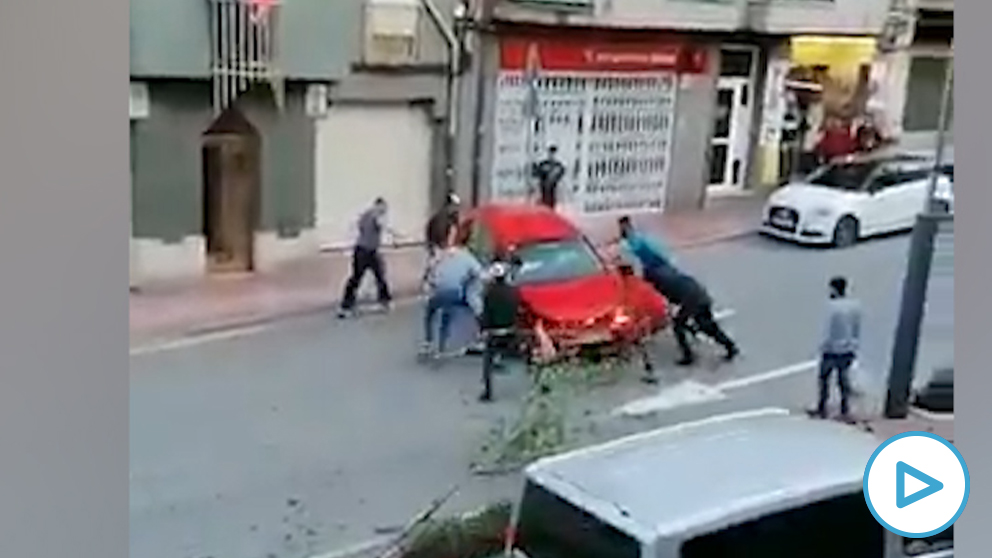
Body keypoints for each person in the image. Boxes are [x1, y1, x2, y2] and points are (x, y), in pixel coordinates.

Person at [648, 264, 739, 367]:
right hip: (702, 297)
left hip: (692, 301)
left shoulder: (662, 285)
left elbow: (671, 301)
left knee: (678, 326)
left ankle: (688, 355)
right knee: (708, 326)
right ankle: (729, 346)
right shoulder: (675, 276)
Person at [419, 228, 485, 359]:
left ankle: (428, 342)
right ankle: (442, 346)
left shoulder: (441, 255)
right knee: (450, 314)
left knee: (430, 312)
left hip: (439, 292)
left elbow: (430, 272)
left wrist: (429, 285)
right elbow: (480, 273)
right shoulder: (466, 256)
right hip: (455, 292)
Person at [811, 276, 862, 422]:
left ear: (833, 289)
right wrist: (854, 345)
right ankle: (845, 409)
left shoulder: (831, 307)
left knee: (824, 378)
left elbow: (828, 329)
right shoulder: (855, 307)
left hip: (832, 349)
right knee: (843, 380)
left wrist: (822, 345)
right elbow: (857, 328)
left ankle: (822, 408)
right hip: (847, 349)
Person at [338, 198, 398, 318]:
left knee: (362, 277)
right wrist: (395, 234)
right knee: (375, 276)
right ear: (378, 206)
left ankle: (347, 305)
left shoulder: (365, 215)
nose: (384, 211)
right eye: (383, 209)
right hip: (368, 251)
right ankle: (384, 301)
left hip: (362, 250)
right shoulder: (376, 216)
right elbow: (382, 225)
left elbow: (359, 227)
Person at [478, 259, 521, 402]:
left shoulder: (489, 294)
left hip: (495, 333)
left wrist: (483, 329)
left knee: (486, 362)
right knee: (528, 357)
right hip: (511, 331)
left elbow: (486, 314)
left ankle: (488, 392)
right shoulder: (514, 291)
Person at [532, 145, 566, 209]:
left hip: (552, 194)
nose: (551, 155)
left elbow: (560, 177)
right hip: (543, 194)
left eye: (553, 154)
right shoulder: (543, 164)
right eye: (550, 153)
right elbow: (536, 175)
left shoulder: (558, 166)